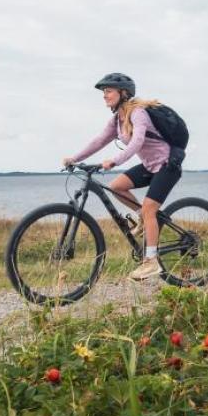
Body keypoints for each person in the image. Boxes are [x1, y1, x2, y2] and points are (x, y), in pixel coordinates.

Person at [62, 73, 182, 281]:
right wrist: (74, 158)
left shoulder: (138, 113)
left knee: (149, 209)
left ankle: (151, 262)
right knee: (117, 186)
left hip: (166, 166)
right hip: (149, 166)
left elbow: (137, 142)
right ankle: (143, 219)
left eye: (108, 91)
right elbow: (98, 141)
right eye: (104, 92)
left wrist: (115, 161)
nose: (104, 95)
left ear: (123, 93)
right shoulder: (117, 120)